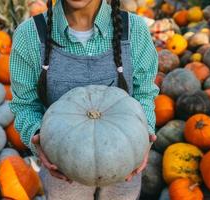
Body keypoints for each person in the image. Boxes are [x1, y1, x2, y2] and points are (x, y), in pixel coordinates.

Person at [9, 0, 159, 199]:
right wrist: (37, 137)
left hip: (124, 162)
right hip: (62, 165)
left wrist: (143, 136)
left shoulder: (134, 30)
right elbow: (25, 105)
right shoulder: (30, 35)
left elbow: (144, 94)